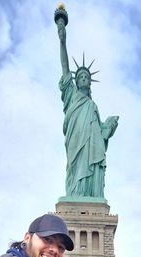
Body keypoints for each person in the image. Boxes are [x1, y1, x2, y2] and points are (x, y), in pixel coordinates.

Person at [57, 18, 119, 198]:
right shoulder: (71, 96)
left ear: (90, 82)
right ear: (76, 81)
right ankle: (77, 194)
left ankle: (91, 195)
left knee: (91, 166)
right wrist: (62, 40)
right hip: (76, 144)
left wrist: (109, 126)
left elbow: (100, 133)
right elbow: (65, 67)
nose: (83, 78)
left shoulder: (92, 105)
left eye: (86, 77)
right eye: (81, 76)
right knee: (75, 169)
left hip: (90, 148)